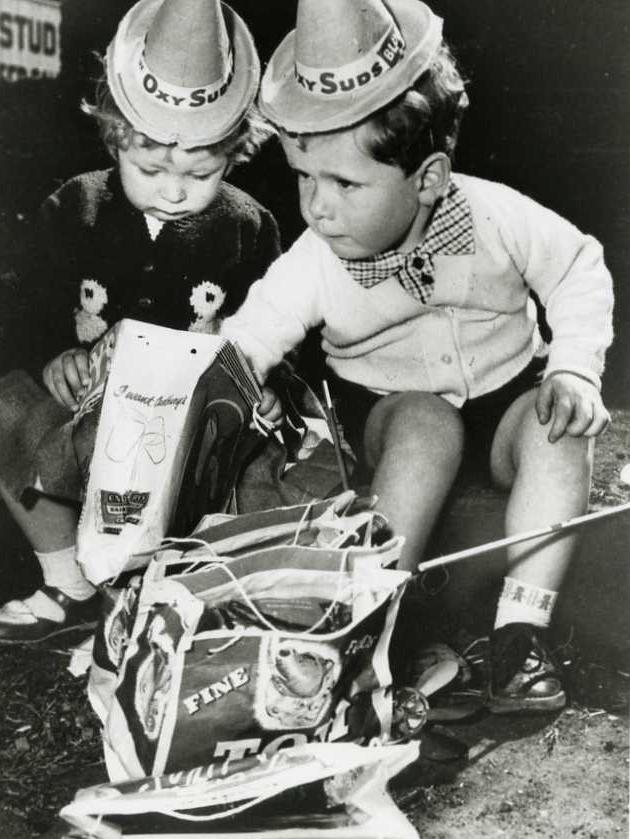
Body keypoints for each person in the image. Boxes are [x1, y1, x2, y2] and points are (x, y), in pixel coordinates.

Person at [221, 0, 615, 713]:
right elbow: (244, 344)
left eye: (344, 183)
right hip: (392, 414)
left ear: (428, 178)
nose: (317, 207)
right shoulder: (315, 261)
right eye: (304, 176)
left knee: (560, 431)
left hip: (504, 401)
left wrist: (574, 368)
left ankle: (519, 634)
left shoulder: (492, 213)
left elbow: (578, 265)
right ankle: (369, 634)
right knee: (428, 425)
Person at [0, 0, 282, 643]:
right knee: (5, 405)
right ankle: (66, 578)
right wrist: (51, 355)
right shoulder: (75, 207)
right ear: (114, 137)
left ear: (236, 153)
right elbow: (23, 308)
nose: (175, 191)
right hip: (80, 428)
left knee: (264, 458)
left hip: (186, 444)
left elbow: (278, 328)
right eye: (150, 169)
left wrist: (259, 378)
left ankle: (207, 596)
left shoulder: (250, 228)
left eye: (201, 173)